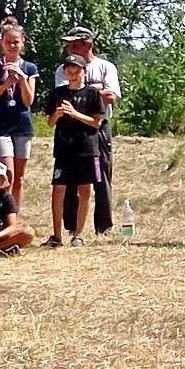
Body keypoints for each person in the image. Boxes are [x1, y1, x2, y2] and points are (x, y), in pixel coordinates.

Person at [56, 26, 121, 236]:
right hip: (70, 130)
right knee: (69, 179)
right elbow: (64, 96)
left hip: (98, 128)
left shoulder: (105, 67)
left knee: (101, 175)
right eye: (68, 46)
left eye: (75, 45)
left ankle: (104, 226)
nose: (70, 50)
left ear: (88, 45)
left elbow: (111, 96)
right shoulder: (62, 69)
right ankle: (72, 226)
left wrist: (84, 93)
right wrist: (96, 90)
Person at [43, 53, 105, 248]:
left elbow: (97, 123)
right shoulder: (58, 93)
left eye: (76, 70)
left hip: (86, 148)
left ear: (84, 71)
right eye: (69, 70)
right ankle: (56, 235)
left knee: (84, 190)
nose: (72, 73)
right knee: (58, 189)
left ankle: (78, 234)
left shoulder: (92, 94)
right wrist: (57, 114)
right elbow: (50, 122)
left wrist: (75, 114)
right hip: (63, 148)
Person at [0, 16, 39, 208]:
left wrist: (21, 79)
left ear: (22, 43)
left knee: (19, 178)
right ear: (1, 43)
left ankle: (14, 218)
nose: (12, 45)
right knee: (7, 177)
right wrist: (5, 85)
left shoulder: (29, 68)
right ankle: (2, 216)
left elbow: (28, 101)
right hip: (0, 127)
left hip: (23, 127)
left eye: (16, 42)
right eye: (8, 42)